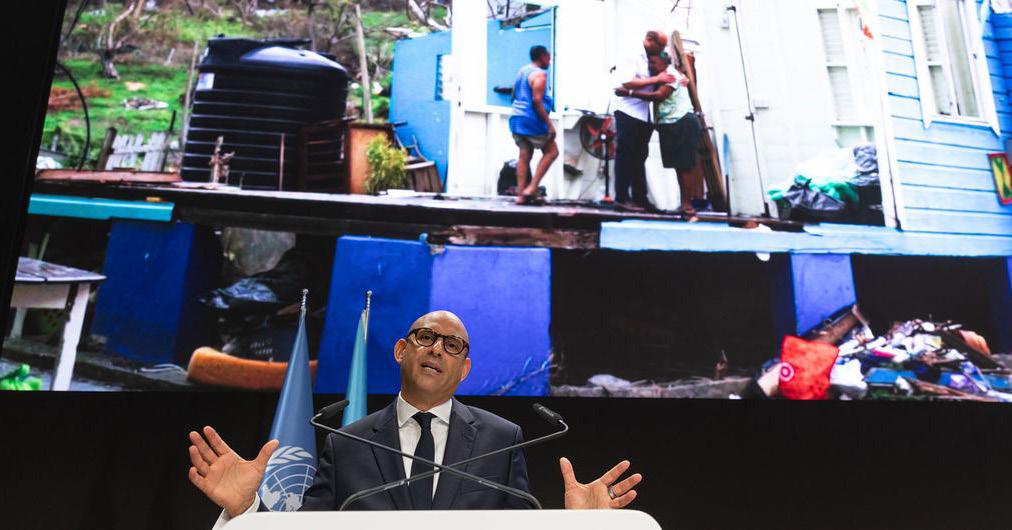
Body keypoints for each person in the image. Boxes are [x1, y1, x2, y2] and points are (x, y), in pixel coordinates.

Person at [188, 311, 642, 525]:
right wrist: (246, 508)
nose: (437, 349)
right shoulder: (347, 442)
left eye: (453, 345)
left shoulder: (503, 439)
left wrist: (583, 526)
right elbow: (309, 529)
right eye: (426, 337)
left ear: (465, 370)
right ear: (401, 351)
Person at [616, 52, 703, 217]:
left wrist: (629, 93)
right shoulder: (665, 75)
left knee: (684, 166)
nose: (651, 66)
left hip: (681, 121)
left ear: (664, 63)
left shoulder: (670, 74)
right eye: (649, 63)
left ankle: (687, 206)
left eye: (654, 63)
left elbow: (659, 96)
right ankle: (685, 205)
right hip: (673, 123)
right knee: (679, 165)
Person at [612, 31, 676, 212]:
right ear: (649, 40)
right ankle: (622, 198)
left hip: (643, 113)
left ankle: (640, 198)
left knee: (639, 157)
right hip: (628, 111)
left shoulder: (649, 57)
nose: (661, 50)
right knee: (625, 155)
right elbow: (626, 81)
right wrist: (657, 79)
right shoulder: (631, 53)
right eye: (660, 46)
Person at [509, 45, 559, 205]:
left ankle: (521, 196)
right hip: (532, 119)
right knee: (552, 152)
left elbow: (513, 94)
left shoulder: (522, 71)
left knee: (524, 155)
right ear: (542, 56)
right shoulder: (540, 75)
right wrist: (549, 125)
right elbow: (537, 101)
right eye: (549, 58)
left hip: (516, 118)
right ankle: (531, 188)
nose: (550, 61)